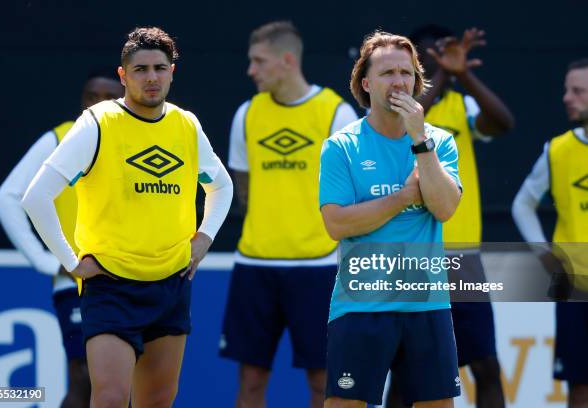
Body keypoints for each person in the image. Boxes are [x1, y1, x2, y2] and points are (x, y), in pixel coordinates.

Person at [21, 26, 233, 407]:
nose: (151, 77)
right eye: (140, 69)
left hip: (171, 283)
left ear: (172, 72)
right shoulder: (98, 123)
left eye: (159, 68)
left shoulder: (186, 125)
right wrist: (71, 262)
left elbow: (222, 186)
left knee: (157, 402)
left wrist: (204, 238)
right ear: (123, 75)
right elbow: (36, 198)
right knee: (111, 398)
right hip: (111, 285)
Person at [319, 30, 462, 408]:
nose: (399, 82)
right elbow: (337, 224)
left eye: (407, 73)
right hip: (361, 306)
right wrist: (402, 197)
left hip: (427, 303)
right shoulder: (342, 146)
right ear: (366, 83)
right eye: (387, 74)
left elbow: (445, 208)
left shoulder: (439, 142)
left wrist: (420, 141)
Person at [219, 21, 357, 408]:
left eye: (258, 61)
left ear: (286, 60)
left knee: (322, 380)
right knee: (250, 380)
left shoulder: (336, 113)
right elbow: (242, 188)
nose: (251, 70)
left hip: (319, 265)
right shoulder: (246, 113)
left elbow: (348, 195)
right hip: (255, 263)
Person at [386, 24, 515, 408]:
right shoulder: (393, 113)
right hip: (414, 256)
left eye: (441, 54)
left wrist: (464, 74)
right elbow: (415, 112)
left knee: (485, 366)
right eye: (425, 57)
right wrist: (444, 74)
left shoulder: (462, 105)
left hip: (462, 258)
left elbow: (503, 122)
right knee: (407, 372)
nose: (433, 61)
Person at [0, 68, 123, 407]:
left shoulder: (137, 142)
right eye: (92, 98)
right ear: (82, 101)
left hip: (131, 282)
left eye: (109, 98)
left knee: (124, 384)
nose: (99, 105)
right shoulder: (60, 139)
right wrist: (48, 261)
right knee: (84, 376)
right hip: (77, 284)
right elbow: (7, 198)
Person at [512, 58, 588, 408]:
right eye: (566, 90)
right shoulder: (557, 150)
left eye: (577, 91)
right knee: (579, 387)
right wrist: (546, 254)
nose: (567, 98)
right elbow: (522, 205)